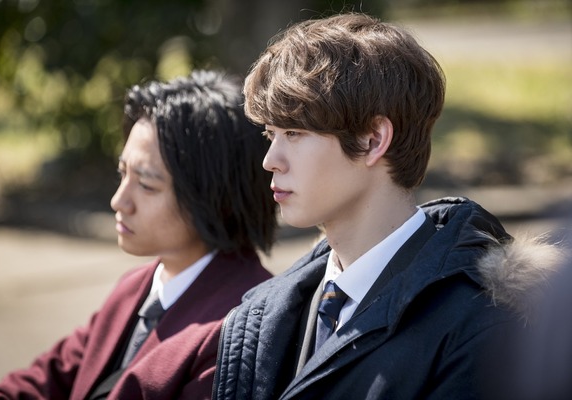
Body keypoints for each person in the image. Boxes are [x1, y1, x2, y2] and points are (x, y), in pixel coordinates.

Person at [212, 13, 564, 400]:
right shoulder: (263, 315)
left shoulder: (478, 325)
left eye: (294, 132)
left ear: (373, 139)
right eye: (270, 133)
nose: (270, 160)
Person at [0, 70, 277, 399]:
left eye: (146, 185)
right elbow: (49, 377)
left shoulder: (241, 327)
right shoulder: (136, 286)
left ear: (215, 196)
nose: (119, 201)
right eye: (122, 173)